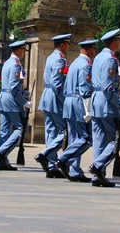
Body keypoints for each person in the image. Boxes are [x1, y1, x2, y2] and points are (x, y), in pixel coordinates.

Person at [89, 29, 120, 188]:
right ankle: (98, 166)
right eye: (119, 40)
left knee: (99, 139)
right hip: (106, 104)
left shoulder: (98, 57)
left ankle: (98, 176)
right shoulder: (111, 60)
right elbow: (107, 88)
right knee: (118, 138)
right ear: (114, 41)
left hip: (95, 102)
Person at [55, 39, 98, 182]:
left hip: (69, 101)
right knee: (85, 138)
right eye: (94, 49)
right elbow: (86, 90)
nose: (95, 52)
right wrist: (88, 111)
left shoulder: (73, 63)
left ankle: (74, 170)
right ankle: (64, 159)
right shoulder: (86, 65)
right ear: (89, 50)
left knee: (75, 137)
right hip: (79, 102)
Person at [35, 34, 71, 179]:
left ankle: (51, 166)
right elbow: (57, 84)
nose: (69, 47)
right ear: (62, 45)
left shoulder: (50, 57)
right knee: (65, 131)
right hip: (55, 98)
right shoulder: (60, 59)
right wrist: (64, 101)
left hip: (47, 97)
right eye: (67, 44)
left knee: (51, 132)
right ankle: (45, 155)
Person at [0, 40, 32, 171]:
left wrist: (23, 92)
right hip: (12, 101)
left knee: (4, 131)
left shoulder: (7, 63)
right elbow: (13, 87)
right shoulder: (16, 65)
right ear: (19, 50)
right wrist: (24, 102)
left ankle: (2, 162)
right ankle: (2, 152)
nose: (23, 53)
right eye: (23, 50)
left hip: (3, 99)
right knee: (22, 129)